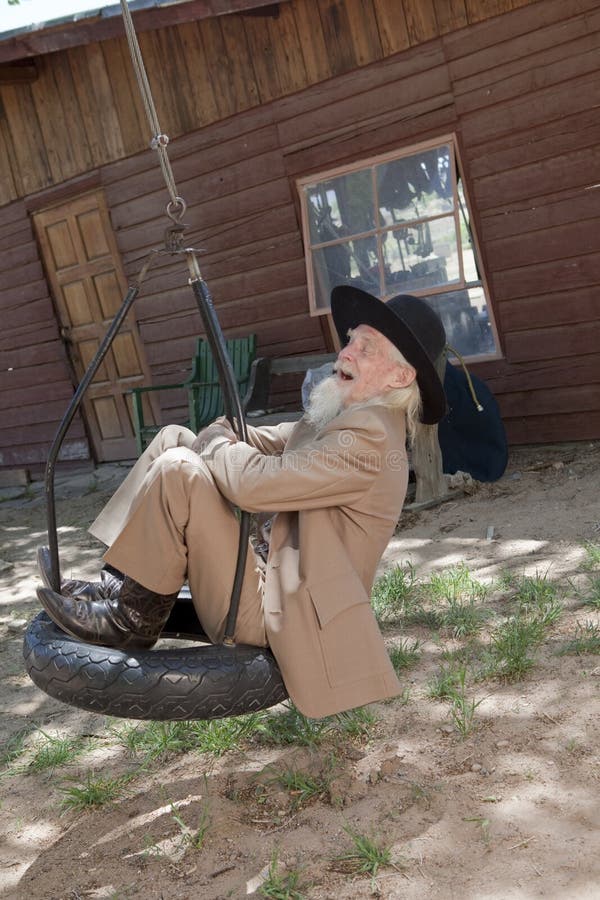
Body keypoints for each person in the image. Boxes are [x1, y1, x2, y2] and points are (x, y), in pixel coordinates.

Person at [37, 286, 447, 719]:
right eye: (350, 340)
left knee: (181, 467)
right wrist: (220, 435)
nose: (346, 353)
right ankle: (122, 584)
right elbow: (256, 436)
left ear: (400, 377)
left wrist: (217, 441)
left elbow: (251, 483)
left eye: (367, 349)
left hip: (281, 615)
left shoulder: (369, 439)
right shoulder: (349, 416)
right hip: (265, 570)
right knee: (175, 438)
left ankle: (131, 623)